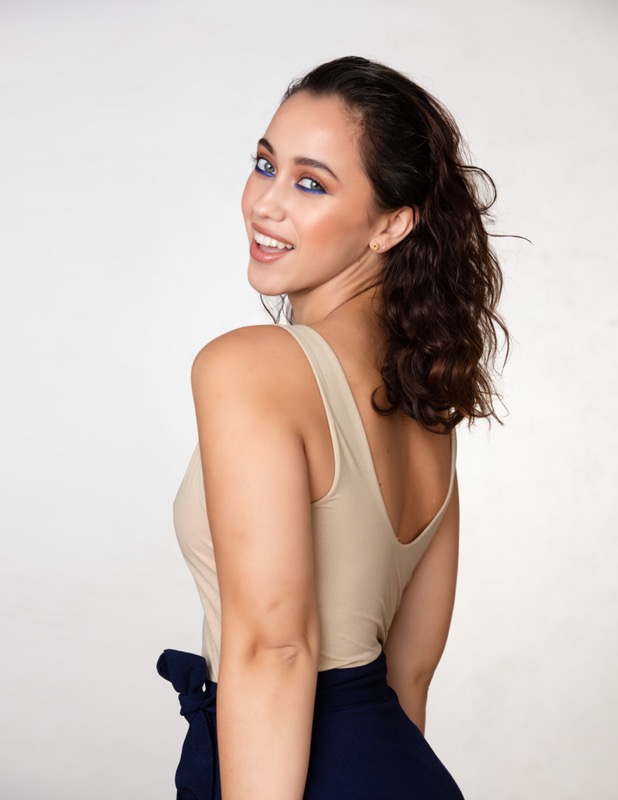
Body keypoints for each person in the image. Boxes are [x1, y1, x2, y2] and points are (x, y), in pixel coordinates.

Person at [157, 56, 507, 800]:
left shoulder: (250, 366)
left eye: (311, 183)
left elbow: (274, 649)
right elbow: (409, 675)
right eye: (265, 165)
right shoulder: (427, 405)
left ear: (391, 224)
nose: (266, 203)